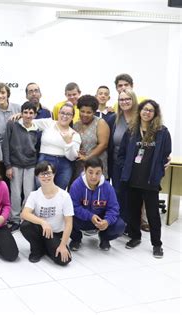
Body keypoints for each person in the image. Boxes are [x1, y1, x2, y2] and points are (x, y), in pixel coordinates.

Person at [118, 100, 171, 258]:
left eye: (151, 110)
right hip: (132, 178)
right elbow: (121, 154)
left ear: (155, 114)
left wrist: (160, 170)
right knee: (133, 210)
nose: (147, 113)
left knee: (153, 214)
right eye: (144, 109)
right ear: (139, 111)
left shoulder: (162, 132)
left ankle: (157, 244)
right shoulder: (131, 130)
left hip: (150, 180)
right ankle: (135, 237)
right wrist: (125, 168)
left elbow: (165, 154)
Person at [20, 161, 73, 265]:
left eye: (48, 173)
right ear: (37, 176)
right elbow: (24, 214)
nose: (46, 176)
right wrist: (43, 222)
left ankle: (46, 247)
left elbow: (69, 223)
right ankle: (36, 250)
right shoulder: (34, 194)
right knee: (25, 225)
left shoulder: (64, 196)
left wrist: (63, 245)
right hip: (41, 230)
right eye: (42, 174)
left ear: (54, 174)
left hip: (55, 234)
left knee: (64, 261)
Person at [69, 157, 125, 251]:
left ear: (102, 172)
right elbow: (73, 207)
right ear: (85, 170)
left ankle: (104, 238)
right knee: (65, 218)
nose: (94, 176)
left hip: (100, 220)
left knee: (120, 226)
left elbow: (114, 208)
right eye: (90, 172)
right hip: (83, 219)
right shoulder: (76, 185)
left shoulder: (107, 187)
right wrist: (90, 216)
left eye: (97, 173)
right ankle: (76, 239)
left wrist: (107, 221)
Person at [2, 102, 39, 232]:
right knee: (16, 194)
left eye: (31, 113)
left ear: (35, 114)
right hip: (15, 164)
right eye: (25, 112)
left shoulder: (37, 128)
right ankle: (15, 219)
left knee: (29, 193)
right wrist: (8, 165)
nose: (28, 115)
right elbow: (5, 144)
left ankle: (26, 217)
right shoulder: (12, 124)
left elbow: (37, 148)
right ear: (21, 113)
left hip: (31, 164)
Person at [107, 89, 138, 225]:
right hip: (117, 163)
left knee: (132, 194)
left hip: (136, 164)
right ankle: (120, 222)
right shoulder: (114, 119)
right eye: (121, 100)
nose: (124, 102)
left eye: (127, 99)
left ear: (133, 100)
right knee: (118, 192)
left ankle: (131, 224)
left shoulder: (140, 118)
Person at [33, 103, 82, 189]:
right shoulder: (48, 123)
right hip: (45, 160)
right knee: (41, 190)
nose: (65, 116)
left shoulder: (75, 134)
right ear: (58, 113)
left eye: (68, 114)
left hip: (65, 164)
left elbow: (73, 157)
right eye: (62, 113)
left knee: (59, 193)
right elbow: (28, 122)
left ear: (73, 117)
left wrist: (68, 142)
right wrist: (19, 115)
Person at [73, 95, 110, 179]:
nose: (85, 114)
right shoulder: (76, 125)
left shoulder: (100, 123)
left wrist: (87, 158)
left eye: (89, 112)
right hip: (79, 166)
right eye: (82, 111)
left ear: (94, 112)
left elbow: (103, 144)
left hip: (96, 166)